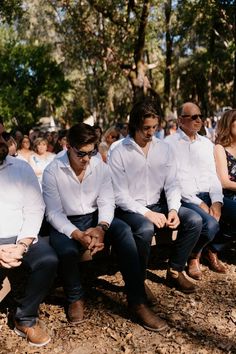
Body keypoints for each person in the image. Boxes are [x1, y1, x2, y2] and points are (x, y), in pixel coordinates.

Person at [42, 123, 168, 332]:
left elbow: (106, 200)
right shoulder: (52, 171)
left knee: (124, 232)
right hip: (66, 221)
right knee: (66, 250)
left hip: (95, 218)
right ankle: (75, 297)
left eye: (91, 152)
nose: (86, 159)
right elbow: (53, 213)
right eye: (81, 154)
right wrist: (76, 234)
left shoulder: (98, 166)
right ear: (68, 147)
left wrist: (101, 227)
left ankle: (137, 301)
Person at [108, 99, 202, 294]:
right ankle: (138, 281)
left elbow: (172, 183)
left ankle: (175, 270)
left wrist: (174, 209)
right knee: (144, 228)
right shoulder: (118, 151)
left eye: (154, 127)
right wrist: (146, 213)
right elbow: (119, 195)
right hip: (129, 208)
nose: (151, 132)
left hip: (159, 204)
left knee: (194, 220)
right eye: (146, 128)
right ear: (135, 125)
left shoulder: (164, 148)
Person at [0, 118, 58, 347]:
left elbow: (35, 208)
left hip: (21, 237)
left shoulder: (21, 167)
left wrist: (22, 245)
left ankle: (24, 318)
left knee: (48, 259)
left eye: (3, 135)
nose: (1, 141)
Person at [165, 102, 226, 280]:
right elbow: (173, 180)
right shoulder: (169, 144)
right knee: (211, 224)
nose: (198, 120)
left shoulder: (206, 144)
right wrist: (198, 202)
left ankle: (211, 250)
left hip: (209, 193)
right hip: (187, 198)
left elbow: (213, 176)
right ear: (180, 120)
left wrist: (216, 201)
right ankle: (193, 257)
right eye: (193, 117)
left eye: (200, 116)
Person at [214, 109, 236, 248]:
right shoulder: (220, 148)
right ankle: (214, 246)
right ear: (229, 125)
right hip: (226, 196)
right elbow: (224, 182)